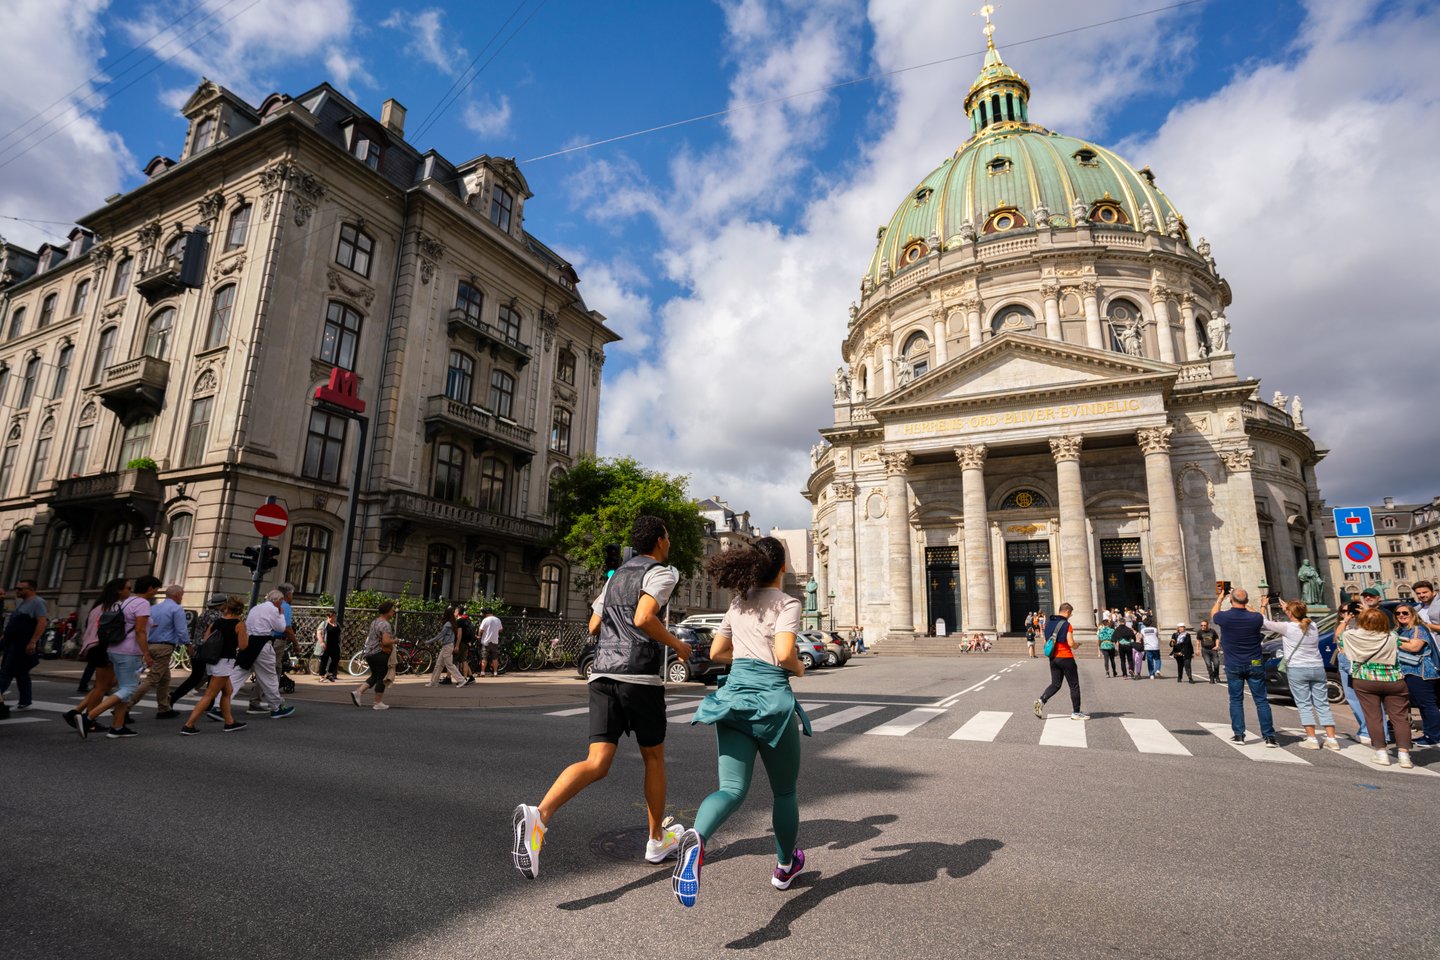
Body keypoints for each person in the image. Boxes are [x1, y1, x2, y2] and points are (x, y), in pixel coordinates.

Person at [511, 516, 692, 880]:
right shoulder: (662, 572)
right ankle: (657, 841)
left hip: (601, 673)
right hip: (638, 675)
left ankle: (539, 817)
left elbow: (594, 625)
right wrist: (678, 645)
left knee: (597, 762)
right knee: (653, 756)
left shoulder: (616, 578)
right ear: (659, 541)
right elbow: (644, 618)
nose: (669, 543)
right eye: (668, 538)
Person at [671, 537, 811, 908]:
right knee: (784, 792)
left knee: (731, 790)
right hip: (771, 704)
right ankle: (784, 867)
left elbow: (717, 652)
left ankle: (698, 839)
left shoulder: (738, 602)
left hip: (733, 699)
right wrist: (798, 666)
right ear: (781, 567)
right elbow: (784, 654)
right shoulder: (788, 603)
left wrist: (747, 660)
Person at [82, 575, 159, 739]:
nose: (156, 592)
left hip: (115, 648)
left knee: (125, 688)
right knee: (129, 689)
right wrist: (146, 653)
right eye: (156, 589)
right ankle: (88, 717)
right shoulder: (143, 603)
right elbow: (139, 631)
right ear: (151, 588)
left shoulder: (128, 601)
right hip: (129, 651)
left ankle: (117, 726)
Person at [1337, 606, 1414, 767]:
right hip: (1393, 680)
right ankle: (1404, 756)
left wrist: (1345, 620)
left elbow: (1338, 636)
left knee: (1374, 717)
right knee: (1400, 719)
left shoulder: (1351, 635)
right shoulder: (1392, 636)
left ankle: (1381, 753)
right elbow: (1402, 645)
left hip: (1365, 680)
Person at [1264, 599, 1339, 750]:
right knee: (1322, 703)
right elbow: (1299, 617)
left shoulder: (1286, 627)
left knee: (1304, 704)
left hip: (1298, 669)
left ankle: (1311, 738)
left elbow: (1263, 622)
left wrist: (1262, 604)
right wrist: (1288, 608)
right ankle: (1332, 739)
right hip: (1317, 668)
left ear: (1290, 613)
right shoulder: (1313, 625)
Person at [1211, 585, 1278, 747]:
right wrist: (1259, 604)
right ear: (1246, 601)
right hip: (1255, 662)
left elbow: (1213, 613)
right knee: (1261, 700)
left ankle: (1239, 735)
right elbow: (1257, 614)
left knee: (1236, 700)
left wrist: (1221, 597)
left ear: (1231, 600)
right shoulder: (1255, 618)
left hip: (1234, 663)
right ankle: (1269, 737)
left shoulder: (1225, 617)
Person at [65, 579, 128, 738]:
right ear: (118, 591)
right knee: (102, 686)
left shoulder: (98, 607)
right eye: (128, 588)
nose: (130, 591)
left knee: (105, 684)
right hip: (103, 647)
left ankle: (77, 712)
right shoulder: (115, 607)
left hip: (93, 647)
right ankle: (89, 720)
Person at [180, 597, 249, 735]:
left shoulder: (217, 622)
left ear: (227, 608)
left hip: (212, 660)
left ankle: (229, 722)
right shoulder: (239, 624)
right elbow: (243, 646)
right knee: (210, 694)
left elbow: (206, 639)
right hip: (225, 661)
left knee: (227, 691)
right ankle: (189, 725)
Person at [125, 583, 188, 719]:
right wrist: (188, 645)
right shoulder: (177, 609)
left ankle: (164, 708)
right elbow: (182, 630)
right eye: (182, 595)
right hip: (164, 647)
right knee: (153, 679)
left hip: (150, 645)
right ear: (177, 595)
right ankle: (125, 707)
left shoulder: (153, 608)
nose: (182, 597)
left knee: (165, 679)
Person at [1338, 587, 1388, 744]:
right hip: (1349, 659)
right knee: (1357, 699)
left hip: (1360, 660)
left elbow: (1380, 631)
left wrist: (1365, 614)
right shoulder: (1352, 622)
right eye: (1344, 610)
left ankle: (1373, 733)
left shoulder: (1379, 616)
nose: (1350, 612)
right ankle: (1369, 730)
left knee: (1367, 699)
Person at [238, 590, 295, 719]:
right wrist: (280, 614)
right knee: (269, 676)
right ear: (277, 600)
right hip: (263, 643)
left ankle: (218, 705)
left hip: (249, 642)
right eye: (281, 601)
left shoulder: (255, 608)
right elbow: (281, 628)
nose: (282, 603)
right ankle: (276, 707)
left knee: (238, 674)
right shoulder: (274, 610)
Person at [0, 578, 47, 718]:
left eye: (20, 589)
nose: (17, 591)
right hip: (12, 643)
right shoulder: (22, 603)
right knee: (21, 673)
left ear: (30, 589)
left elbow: (42, 622)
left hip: (22, 644)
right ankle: (25, 701)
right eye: (17, 588)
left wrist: (33, 642)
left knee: (6, 672)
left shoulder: (38, 602)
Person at [1394, 604, 1440, 746]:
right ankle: (1429, 734)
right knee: (1422, 705)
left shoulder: (1418, 629)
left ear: (1412, 614)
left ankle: (1434, 736)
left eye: (1405, 613)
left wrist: (1394, 641)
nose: (1401, 615)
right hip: (1410, 672)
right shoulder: (1402, 630)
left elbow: (1415, 647)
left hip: (1422, 673)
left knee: (1428, 705)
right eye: (1398, 613)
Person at [1032, 603, 1087, 721]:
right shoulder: (1067, 625)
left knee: (1055, 684)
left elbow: (1046, 641)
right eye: (1070, 613)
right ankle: (1076, 712)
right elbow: (1071, 643)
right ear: (1067, 611)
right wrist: (1077, 645)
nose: (1070, 615)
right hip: (1066, 657)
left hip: (1053, 658)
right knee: (1074, 685)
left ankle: (1041, 700)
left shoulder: (1048, 624)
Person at [250, 582, 297, 711]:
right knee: (270, 672)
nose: (292, 596)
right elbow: (286, 628)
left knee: (271, 671)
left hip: (264, 641)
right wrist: (296, 643)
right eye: (292, 594)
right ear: (287, 594)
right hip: (276, 642)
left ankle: (269, 701)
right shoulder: (285, 606)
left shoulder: (259, 608)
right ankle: (266, 702)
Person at [173, 595, 227, 703]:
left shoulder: (204, 613)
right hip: (208, 650)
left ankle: (208, 703)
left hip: (197, 648)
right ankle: (174, 697)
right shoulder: (217, 616)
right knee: (202, 677)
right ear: (222, 604)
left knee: (198, 677)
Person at [351, 601, 396, 710]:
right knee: (381, 678)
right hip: (380, 653)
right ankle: (378, 702)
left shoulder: (375, 622)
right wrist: (395, 640)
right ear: (387, 611)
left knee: (375, 676)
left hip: (369, 653)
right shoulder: (386, 624)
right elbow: (385, 642)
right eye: (392, 609)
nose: (394, 611)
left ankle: (358, 692)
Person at [426, 605, 466, 687]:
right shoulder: (452, 623)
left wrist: (429, 641)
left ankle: (461, 680)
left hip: (447, 646)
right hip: (448, 645)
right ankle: (434, 682)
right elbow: (446, 635)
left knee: (448, 665)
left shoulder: (448, 624)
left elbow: (440, 635)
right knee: (439, 664)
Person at [316, 610, 342, 682]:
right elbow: (319, 633)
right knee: (324, 661)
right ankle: (322, 676)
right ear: (328, 617)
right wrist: (321, 642)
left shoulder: (337, 624)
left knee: (336, 659)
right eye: (332, 616)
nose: (334, 618)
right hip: (326, 645)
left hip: (335, 645)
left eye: (334, 616)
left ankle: (329, 674)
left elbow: (339, 634)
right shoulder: (324, 624)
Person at [453, 606, 477, 684]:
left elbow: (459, 634)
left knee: (455, 661)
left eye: (455, 611)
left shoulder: (459, 621)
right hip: (466, 642)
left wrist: (457, 645)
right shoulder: (466, 620)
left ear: (457, 612)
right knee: (464, 660)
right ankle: (467, 677)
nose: (454, 613)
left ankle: (462, 679)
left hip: (461, 643)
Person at [478, 608, 503, 677]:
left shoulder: (485, 620)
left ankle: (482, 672)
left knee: (484, 657)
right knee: (495, 658)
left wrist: (479, 636)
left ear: (486, 614)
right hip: (495, 641)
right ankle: (495, 673)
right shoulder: (497, 620)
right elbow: (501, 630)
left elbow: (481, 630)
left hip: (486, 641)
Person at [1196, 618, 1221, 683]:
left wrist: (1217, 646)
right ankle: (1211, 678)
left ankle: (1217, 676)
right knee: (1208, 664)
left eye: (1204, 625)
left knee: (1216, 663)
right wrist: (1197, 649)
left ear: (1207, 625)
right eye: (1201, 625)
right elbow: (1198, 641)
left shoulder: (1212, 631)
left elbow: (1217, 638)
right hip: (1205, 650)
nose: (1203, 627)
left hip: (1213, 649)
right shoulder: (1199, 632)